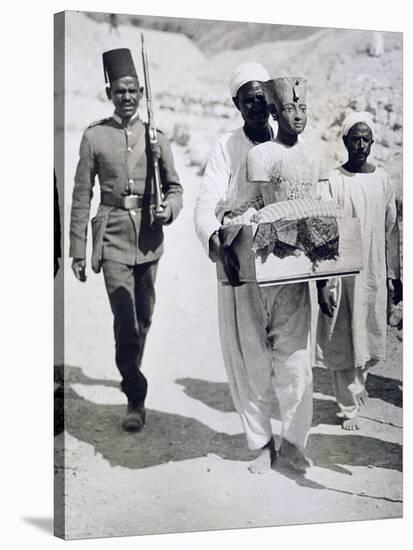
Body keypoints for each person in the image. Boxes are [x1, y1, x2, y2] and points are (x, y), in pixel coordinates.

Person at [69, 48, 183, 432]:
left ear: (141, 91)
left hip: (149, 239)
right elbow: (82, 196)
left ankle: (131, 374)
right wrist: (78, 251)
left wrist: (170, 207)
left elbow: (175, 187)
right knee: (125, 320)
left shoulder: (156, 137)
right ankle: (136, 396)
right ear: (109, 94)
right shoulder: (94, 136)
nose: (127, 97)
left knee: (143, 318)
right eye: (120, 91)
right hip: (113, 236)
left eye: (133, 90)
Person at [194, 62, 278, 474]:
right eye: (250, 100)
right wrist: (214, 238)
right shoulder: (226, 147)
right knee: (248, 355)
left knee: (292, 355)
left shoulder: (291, 140)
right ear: (237, 105)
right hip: (238, 262)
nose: (258, 106)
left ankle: (296, 437)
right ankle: (262, 442)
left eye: (263, 97)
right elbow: (207, 201)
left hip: (286, 263)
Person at [245, 76, 330, 473]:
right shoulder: (261, 155)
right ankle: (262, 446)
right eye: (290, 110)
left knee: (296, 362)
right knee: (259, 359)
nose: (298, 116)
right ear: (275, 112)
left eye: (303, 109)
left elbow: (326, 213)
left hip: (299, 272)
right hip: (263, 270)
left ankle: (295, 443)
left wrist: (327, 277)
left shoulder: (316, 157)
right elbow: (249, 207)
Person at [316, 111, 402, 430]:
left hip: (373, 270)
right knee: (342, 332)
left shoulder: (381, 179)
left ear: (373, 141)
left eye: (366, 138)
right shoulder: (334, 180)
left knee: (368, 330)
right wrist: (323, 282)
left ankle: (358, 386)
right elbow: (323, 230)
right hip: (342, 270)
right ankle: (349, 404)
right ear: (345, 141)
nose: (361, 144)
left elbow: (390, 228)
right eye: (356, 138)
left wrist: (394, 275)